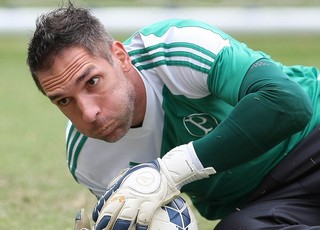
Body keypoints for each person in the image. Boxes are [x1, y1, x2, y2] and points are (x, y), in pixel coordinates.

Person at [26, 2, 320, 230]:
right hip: (265, 201)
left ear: (120, 56)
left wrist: (171, 170)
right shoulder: (88, 159)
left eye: (92, 82)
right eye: (64, 100)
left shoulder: (175, 47)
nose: (89, 113)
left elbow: (288, 102)